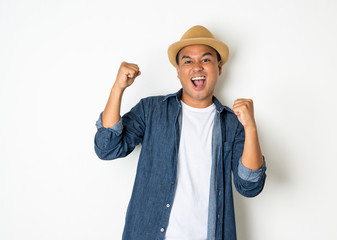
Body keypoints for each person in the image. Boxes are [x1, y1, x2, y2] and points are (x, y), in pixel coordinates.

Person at [94, 25, 266, 240]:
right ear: (177, 71)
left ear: (219, 68)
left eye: (205, 60)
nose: (197, 67)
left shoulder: (233, 123)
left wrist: (250, 127)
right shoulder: (151, 110)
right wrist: (117, 88)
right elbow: (107, 147)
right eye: (188, 61)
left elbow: (250, 186)